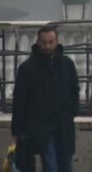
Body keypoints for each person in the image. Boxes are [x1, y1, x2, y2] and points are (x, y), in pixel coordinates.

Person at [12, 25, 80, 172]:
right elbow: (19, 100)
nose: (47, 46)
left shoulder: (67, 64)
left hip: (63, 124)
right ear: (38, 42)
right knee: (50, 166)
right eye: (44, 42)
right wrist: (17, 130)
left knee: (66, 166)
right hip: (41, 127)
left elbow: (74, 90)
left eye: (51, 42)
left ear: (57, 41)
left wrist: (72, 111)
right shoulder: (27, 68)